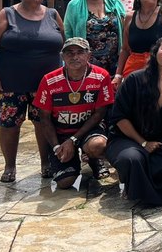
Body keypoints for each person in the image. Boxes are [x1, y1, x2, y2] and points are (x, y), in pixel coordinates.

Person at [0, 0, 64, 183]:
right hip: (11, 83)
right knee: (10, 125)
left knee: (44, 122)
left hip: (46, 85)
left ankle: (46, 162)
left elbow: (64, 44)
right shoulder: (7, 14)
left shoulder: (53, 14)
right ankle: (10, 165)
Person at [106, 36, 162, 205]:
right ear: (155, 52)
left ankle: (153, 195)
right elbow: (119, 117)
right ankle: (136, 191)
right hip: (127, 138)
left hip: (159, 137)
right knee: (132, 159)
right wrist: (143, 142)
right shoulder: (134, 79)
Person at [34, 38, 114, 188]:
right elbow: (44, 118)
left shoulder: (101, 76)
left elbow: (100, 113)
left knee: (98, 145)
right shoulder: (49, 80)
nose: (75, 57)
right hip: (61, 133)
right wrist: (57, 147)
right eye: (69, 53)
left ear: (89, 55)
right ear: (62, 56)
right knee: (65, 182)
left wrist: (74, 139)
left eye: (80, 52)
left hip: (88, 130)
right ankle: (70, 162)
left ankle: (93, 158)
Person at [63, 0, 126, 75]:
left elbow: (124, 27)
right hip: (87, 61)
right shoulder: (74, 5)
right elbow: (68, 32)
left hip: (115, 61)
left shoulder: (114, 2)